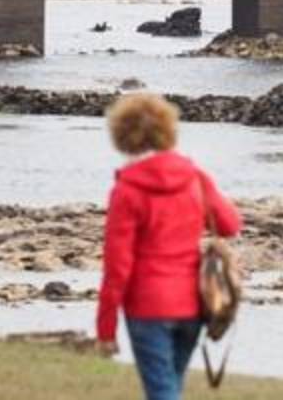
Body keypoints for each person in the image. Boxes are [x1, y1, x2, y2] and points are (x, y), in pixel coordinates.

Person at [95, 94, 243, 400]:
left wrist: (106, 328)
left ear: (122, 135)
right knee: (170, 387)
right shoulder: (194, 177)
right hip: (192, 303)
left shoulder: (127, 191)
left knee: (162, 392)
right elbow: (229, 225)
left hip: (147, 306)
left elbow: (118, 265)